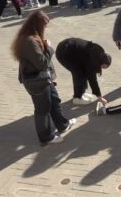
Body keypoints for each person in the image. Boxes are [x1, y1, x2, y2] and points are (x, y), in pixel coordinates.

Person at [11, 11, 76, 145]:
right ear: (36, 25)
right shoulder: (29, 41)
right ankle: (46, 137)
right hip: (36, 80)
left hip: (44, 78)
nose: (45, 28)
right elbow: (41, 63)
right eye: (44, 26)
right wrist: (49, 48)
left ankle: (62, 125)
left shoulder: (32, 36)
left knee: (55, 101)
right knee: (43, 109)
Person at [56, 38, 111, 105]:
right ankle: (77, 98)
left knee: (84, 70)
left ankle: (81, 93)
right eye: (103, 67)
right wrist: (100, 97)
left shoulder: (99, 53)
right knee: (79, 73)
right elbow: (92, 80)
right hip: (64, 52)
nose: (102, 69)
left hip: (68, 47)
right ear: (102, 62)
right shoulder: (93, 62)